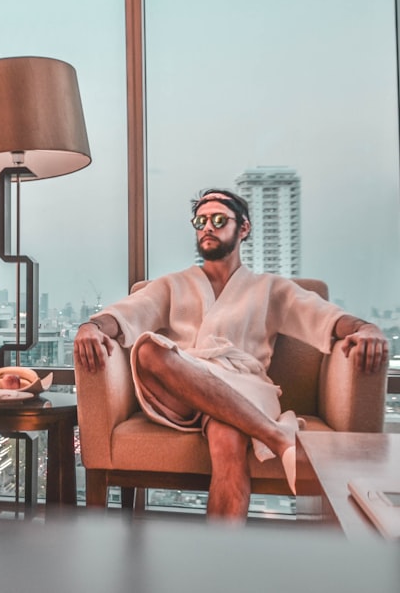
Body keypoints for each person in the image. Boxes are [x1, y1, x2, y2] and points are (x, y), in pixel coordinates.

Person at [73, 188, 388, 520]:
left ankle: (219, 563)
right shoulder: (172, 284)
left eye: (219, 219)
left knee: (227, 443)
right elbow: (124, 314)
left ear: (244, 228)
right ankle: (279, 438)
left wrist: (365, 328)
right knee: (149, 349)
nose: (207, 226)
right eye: (201, 220)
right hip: (185, 390)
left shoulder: (271, 288)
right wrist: (90, 328)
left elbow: (326, 318)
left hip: (246, 387)